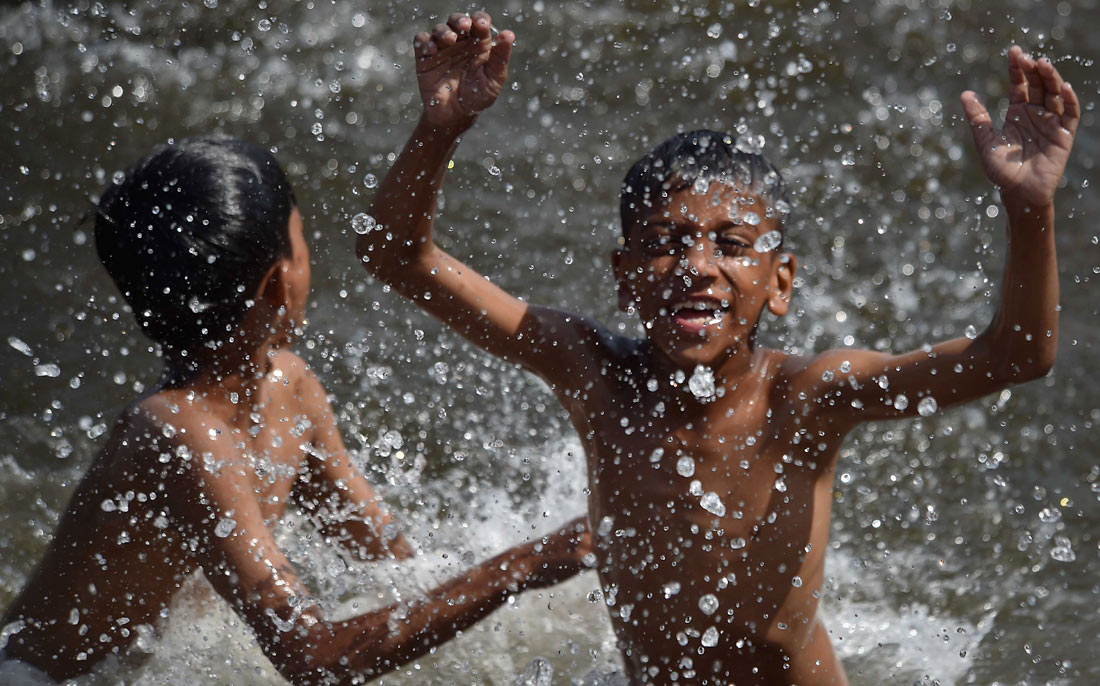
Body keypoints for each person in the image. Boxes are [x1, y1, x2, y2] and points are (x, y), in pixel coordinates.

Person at [359, 11, 1078, 685]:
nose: (697, 265)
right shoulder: (594, 374)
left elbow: (1016, 356)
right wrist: (440, 128)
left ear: (780, 282)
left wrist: (1028, 204)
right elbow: (398, 257)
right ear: (623, 278)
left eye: (732, 245)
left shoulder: (807, 399)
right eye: (665, 244)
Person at [0, 136, 592, 685]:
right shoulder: (180, 435)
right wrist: (528, 562)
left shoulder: (289, 387)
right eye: (302, 229)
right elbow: (310, 659)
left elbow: (389, 564)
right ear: (280, 283)